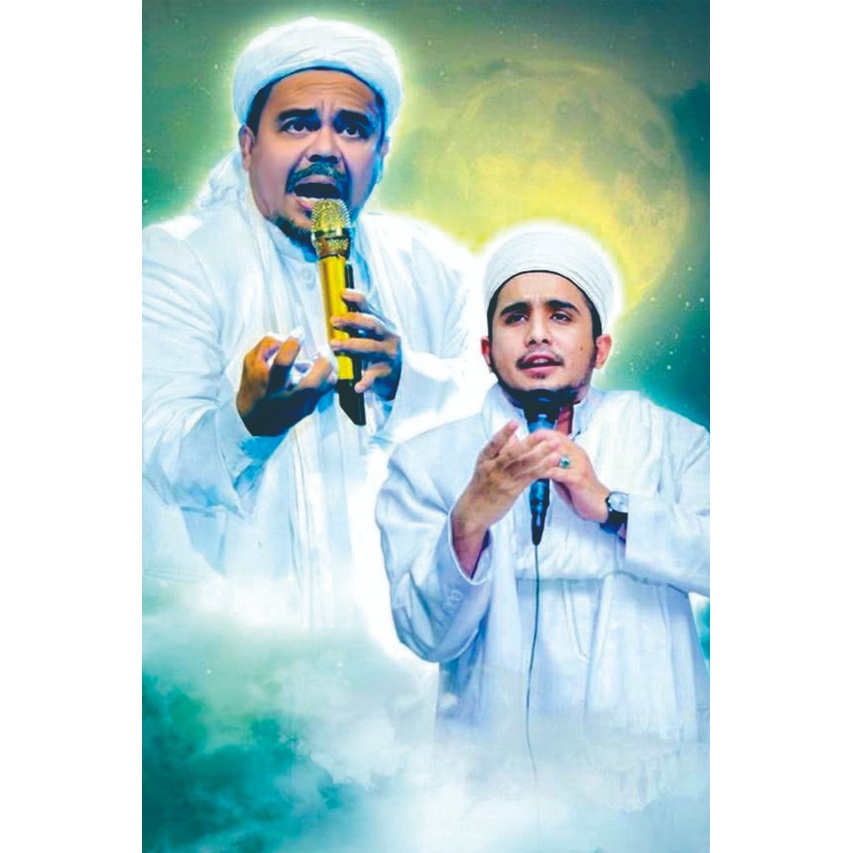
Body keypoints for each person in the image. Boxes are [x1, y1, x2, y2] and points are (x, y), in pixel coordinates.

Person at [142, 17, 486, 631]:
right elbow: (153, 449)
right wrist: (248, 422)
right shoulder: (178, 258)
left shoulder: (433, 267)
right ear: (249, 145)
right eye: (298, 123)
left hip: (396, 644)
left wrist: (405, 378)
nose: (325, 148)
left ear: (381, 153)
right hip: (230, 646)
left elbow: (500, 418)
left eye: (352, 128)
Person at [376, 223, 709, 804]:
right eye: (515, 317)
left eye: (560, 315)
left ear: (599, 348)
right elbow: (426, 637)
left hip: (651, 776)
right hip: (496, 786)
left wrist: (613, 508)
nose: (536, 334)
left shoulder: (669, 443)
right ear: (488, 351)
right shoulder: (425, 463)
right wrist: (469, 521)